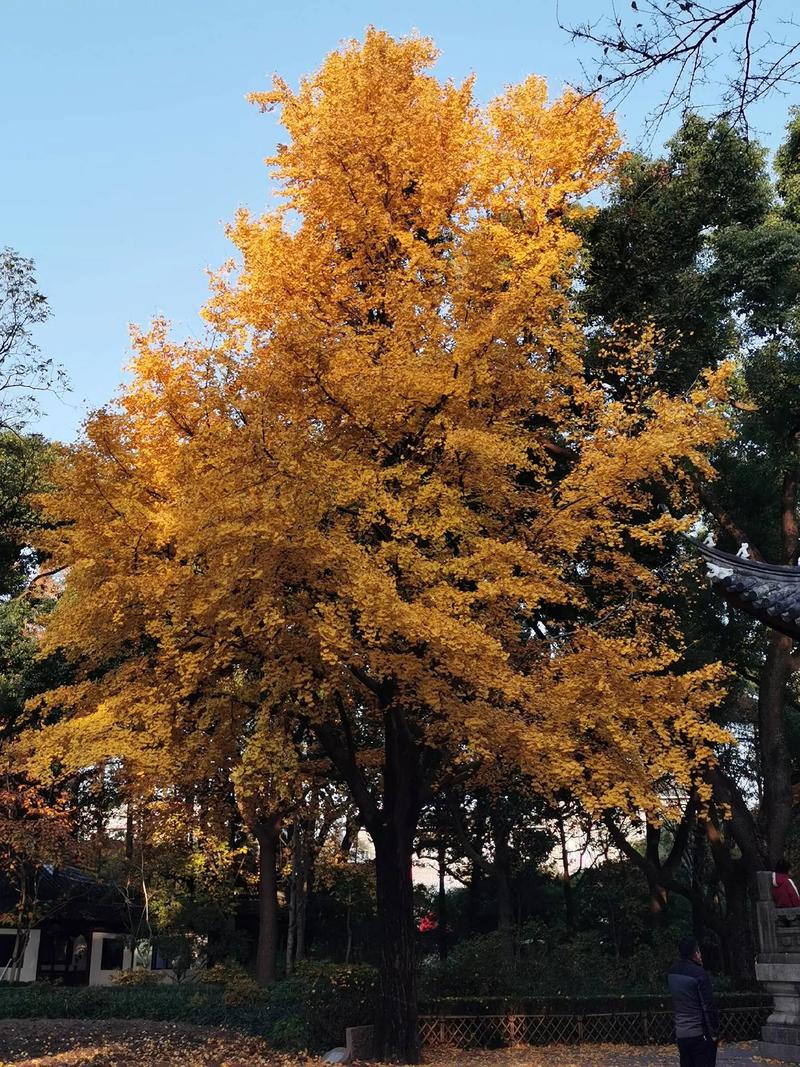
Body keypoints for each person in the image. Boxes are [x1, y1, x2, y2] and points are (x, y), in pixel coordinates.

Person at [667, 935, 719, 1067]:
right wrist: (714, 1032)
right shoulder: (699, 974)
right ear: (695, 953)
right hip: (699, 1033)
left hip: (681, 1033)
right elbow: (707, 1006)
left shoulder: (672, 973)